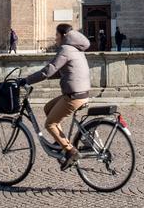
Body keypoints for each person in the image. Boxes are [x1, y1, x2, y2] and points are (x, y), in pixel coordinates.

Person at [18, 23, 91, 170]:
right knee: (48, 107)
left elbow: (48, 70)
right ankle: (60, 142)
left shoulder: (65, 49)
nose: (55, 38)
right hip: (79, 93)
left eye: (56, 35)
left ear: (63, 36)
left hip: (73, 96)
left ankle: (71, 151)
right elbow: (60, 71)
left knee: (50, 124)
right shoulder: (75, 48)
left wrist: (27, 80)